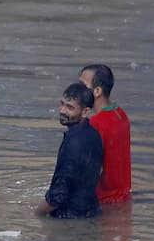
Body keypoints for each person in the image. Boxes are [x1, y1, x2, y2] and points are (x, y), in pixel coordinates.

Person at [35, 82, 104, 220]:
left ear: (85, 112)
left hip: (68, 219)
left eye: (70, 107)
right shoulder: (94, 134)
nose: (62, 110)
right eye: (62, 104)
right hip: (92, 212)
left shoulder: (73, 143)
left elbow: (57, 197)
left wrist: (35, 215)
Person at [79, 63, 131, 205]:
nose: (78, 91)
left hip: (102, 201)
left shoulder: (95, 123)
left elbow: (88, 170)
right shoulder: (120, 114)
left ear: (97, 91)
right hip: (123, 197)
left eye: (82, 86)